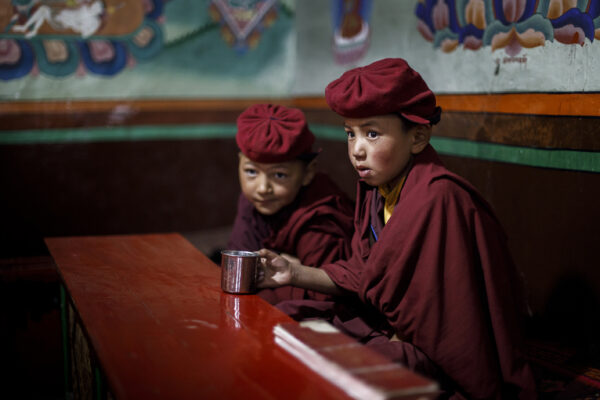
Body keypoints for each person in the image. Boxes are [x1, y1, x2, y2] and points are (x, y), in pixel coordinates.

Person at [257, 59, 537, 399]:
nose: (357, 150)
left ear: (417, 137)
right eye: (350, 133)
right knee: (288, 318)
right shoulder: (378, 188)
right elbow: (364, 271)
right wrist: (294, 273)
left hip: (440, 351)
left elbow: (450, 317)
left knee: (333, 362)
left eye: (372, 134)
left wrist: (392, 343)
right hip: (390, 327)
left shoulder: (440, 199)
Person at [227, 103, 355, 305]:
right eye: (251, 171)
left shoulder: (320, 214)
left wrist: (295, 272)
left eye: (279, 175)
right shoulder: (253, 201)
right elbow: (240, 267)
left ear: (308, 172)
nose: (262, 188)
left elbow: (326, 294)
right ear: (240, 162)